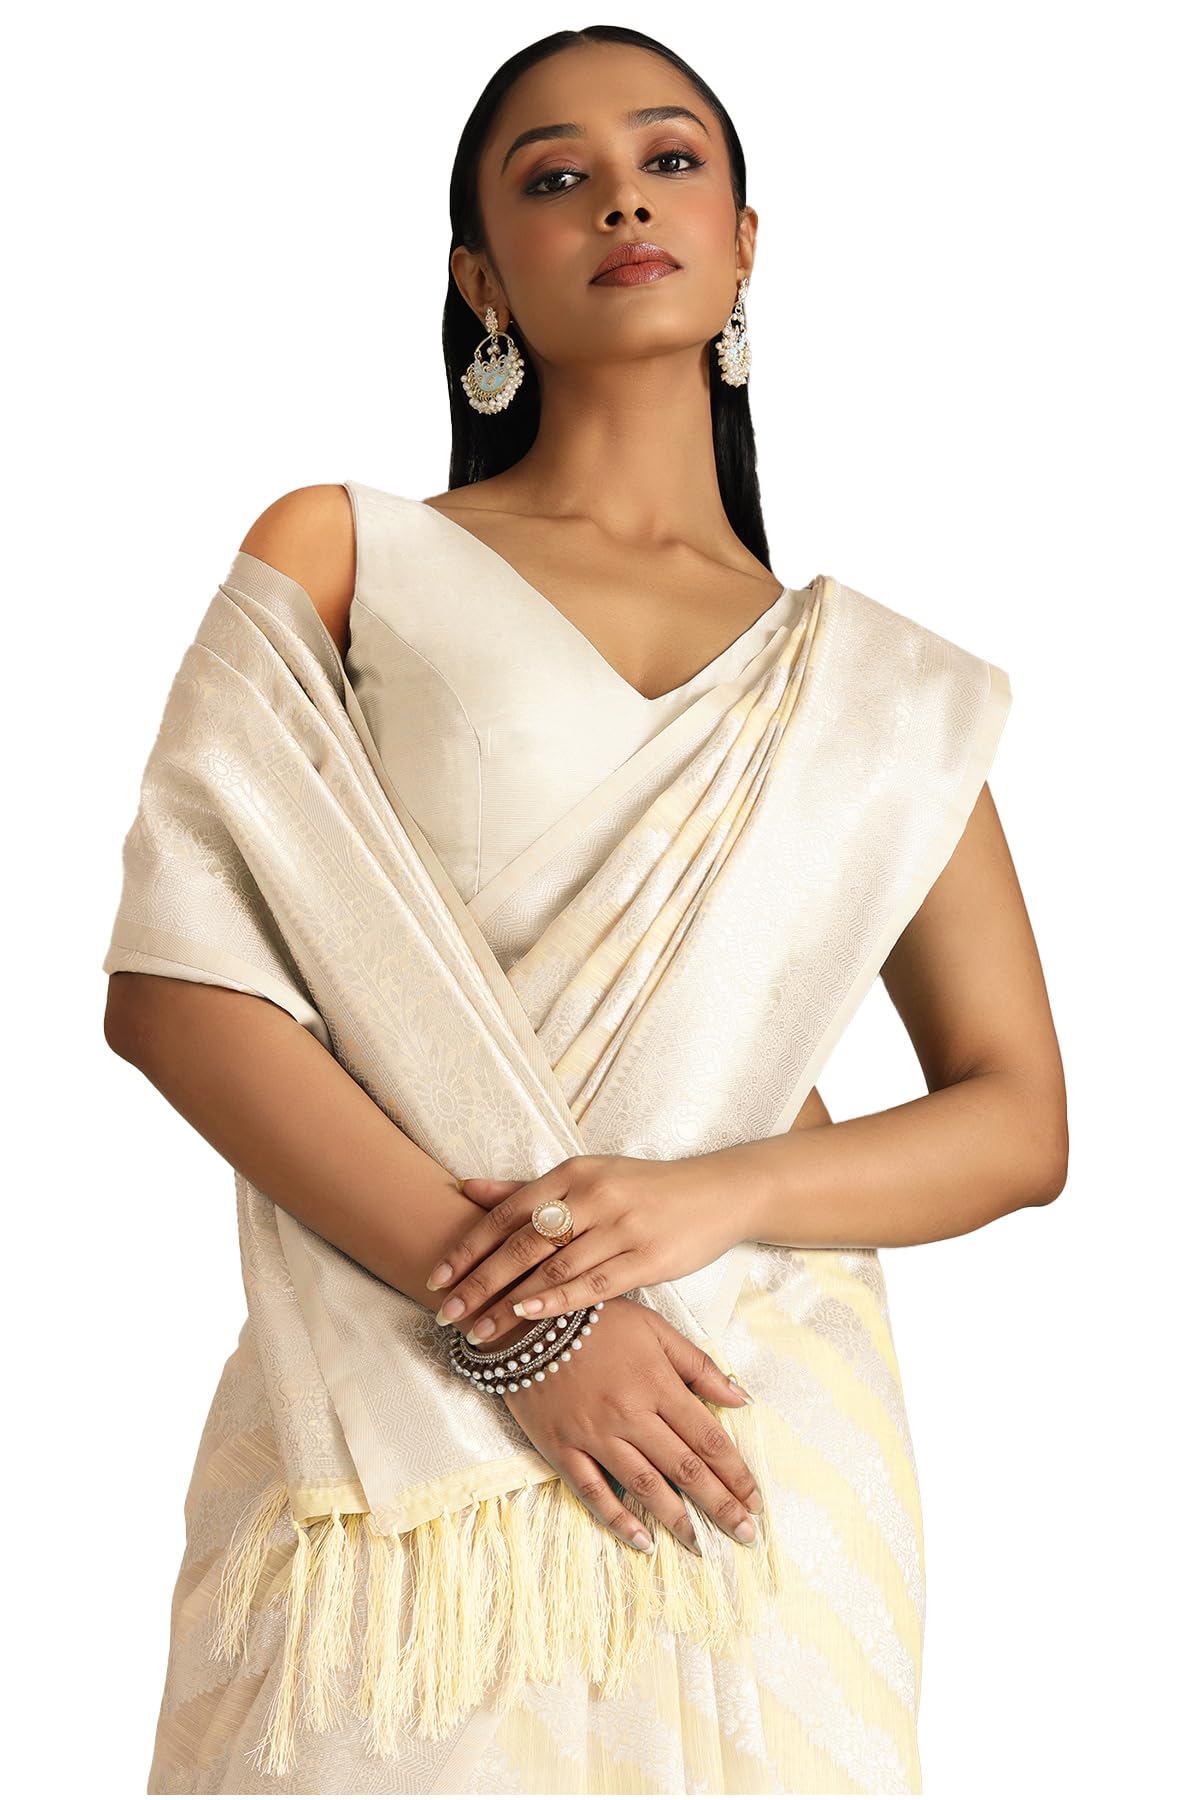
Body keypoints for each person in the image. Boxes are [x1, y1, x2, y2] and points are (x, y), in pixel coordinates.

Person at [102, 24, 1067, 1797]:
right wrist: (531, 1327)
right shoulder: (349, 550)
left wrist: (712, 1196)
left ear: (746, 242)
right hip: (394, 1411)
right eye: (556, 177)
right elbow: (180, 986)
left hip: (748, 1421)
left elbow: (1018, 1121)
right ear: (481, 277)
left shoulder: (873, 687)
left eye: (669, 158)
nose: (623, 195)